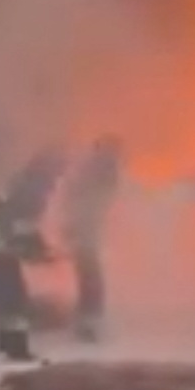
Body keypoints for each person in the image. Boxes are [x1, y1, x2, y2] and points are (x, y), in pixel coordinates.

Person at [0, 146, 67, 369]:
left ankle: (15, 347)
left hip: (2, 246)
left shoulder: (27, 182)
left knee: (14, 297)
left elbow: (22, 224)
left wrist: (35, 248)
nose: (60, 176)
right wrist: (35, 249)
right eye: (59, 169)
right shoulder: (33, 187)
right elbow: (20, 223)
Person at [61, 134, 125, 343]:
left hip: (85, 227)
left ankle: (88, 321)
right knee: (90, 274)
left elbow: (76, 195)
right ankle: (89, 321)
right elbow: (83, 197)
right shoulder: (103, 169)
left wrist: (70, 224)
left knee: (88, 274)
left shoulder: (94, 169)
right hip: (86, 228)